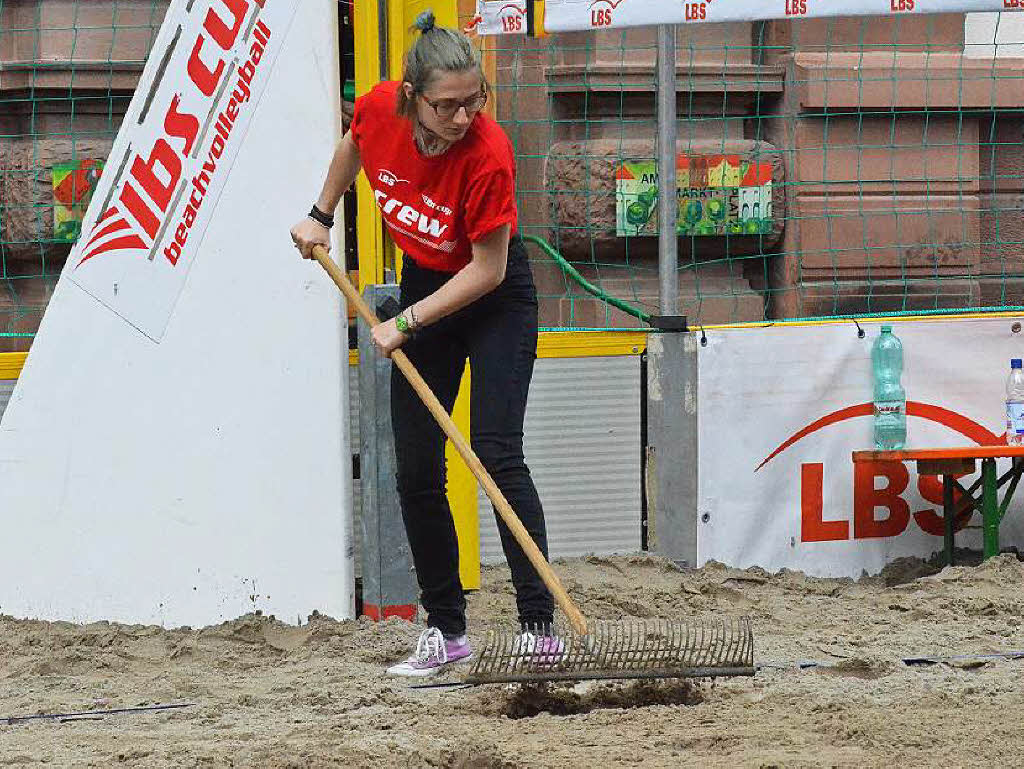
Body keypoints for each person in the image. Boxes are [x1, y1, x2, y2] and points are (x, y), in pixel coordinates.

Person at [290, 10, 560, 677]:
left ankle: (538, 626)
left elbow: (489, 269)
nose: (464, 117)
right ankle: (445, 629)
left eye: (475, 101)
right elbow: (357, 142)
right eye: (447, 106)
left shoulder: (489, 153)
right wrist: (322, 213)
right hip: (426, 280)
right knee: (416, 468)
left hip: (494, 298)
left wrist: (405, 322)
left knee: (497, 454)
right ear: (412, 98)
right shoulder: (383, 108)